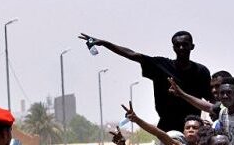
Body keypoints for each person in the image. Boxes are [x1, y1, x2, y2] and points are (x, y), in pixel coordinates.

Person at [79, 31, 211, 132]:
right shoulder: (161, 65)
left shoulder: (201, 71)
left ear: (192, 46)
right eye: (178, 45)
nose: (181, 48)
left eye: (185, 44)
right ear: (173, 48)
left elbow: (211, 101)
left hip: (193, 128)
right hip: (167, 129)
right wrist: (104, 43)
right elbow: (132, 54)